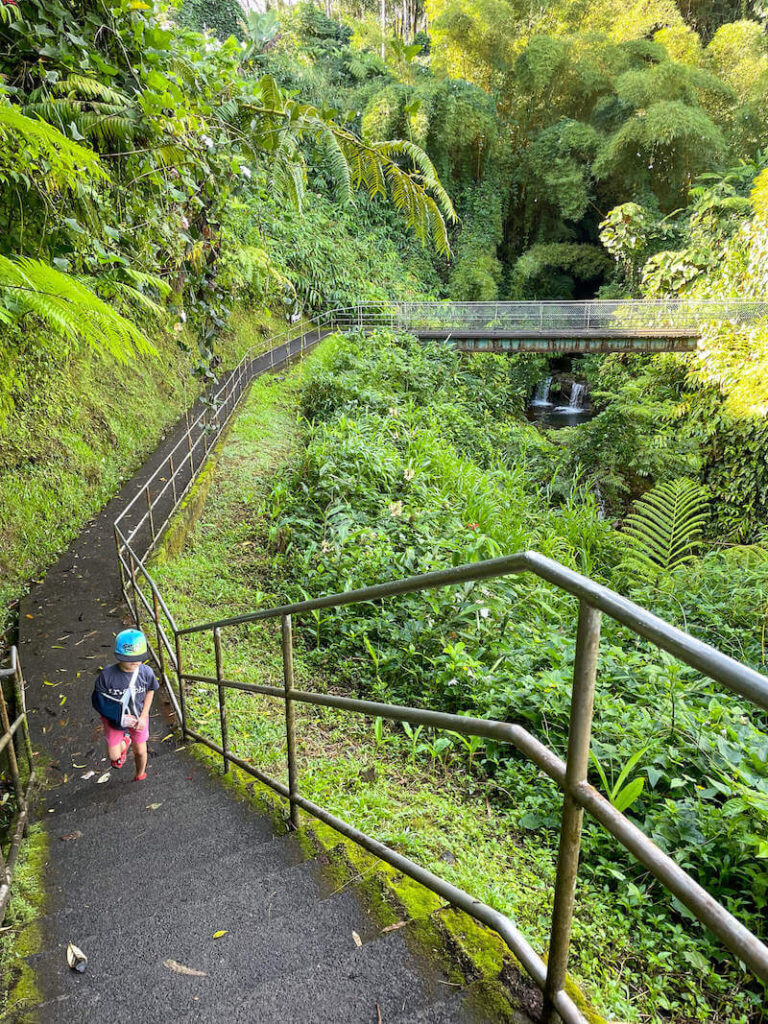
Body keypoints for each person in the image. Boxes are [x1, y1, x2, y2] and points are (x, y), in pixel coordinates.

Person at [91, 629, 158, 781]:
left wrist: (144, 715)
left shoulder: (146, 673)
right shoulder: (106, 676)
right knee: (114, 756)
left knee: (140, 751)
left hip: (138, 717)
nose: (135, 662)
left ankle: (140, 773)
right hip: (115, 720)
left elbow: (151, 690)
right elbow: (98, 700)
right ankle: (125, 741)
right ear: (119, 656)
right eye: (129, 658)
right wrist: (113, 716)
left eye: (138, 658)